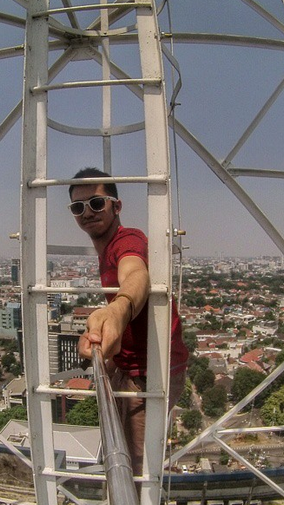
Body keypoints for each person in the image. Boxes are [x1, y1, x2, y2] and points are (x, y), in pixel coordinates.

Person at [69, 167, 188, 476]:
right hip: (132, 366)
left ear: (116, 206)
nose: (87, 213)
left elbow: (136, 274)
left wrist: (117, 309)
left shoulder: (127, 240)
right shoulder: (107, 248)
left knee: (134, 472)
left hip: (150, 372)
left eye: (96, 203)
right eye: (78, 207)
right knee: (120, 449)